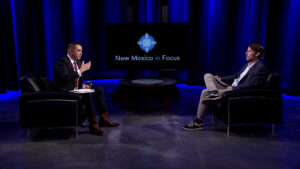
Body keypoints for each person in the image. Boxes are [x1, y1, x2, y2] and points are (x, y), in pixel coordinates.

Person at [183, 43, 268, 131]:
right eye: (247, 51)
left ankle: (198, 122)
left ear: (257, 53)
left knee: (205, 92)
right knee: (208, 76)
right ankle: (214, 95)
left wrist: (234, 89)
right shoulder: (248, 65)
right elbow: (236, 76)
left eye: (249, 51)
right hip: (230, 87)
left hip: (235, 92)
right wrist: (221, 79)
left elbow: (252, 85)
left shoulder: (260, 68)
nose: (246, 53)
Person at [53, 41, 119, 136]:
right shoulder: (62, 62)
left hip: (75, 90)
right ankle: (93, 125)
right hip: (66, 92)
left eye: (82, 51)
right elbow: (65, 78)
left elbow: (75, 80)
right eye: (78, 50)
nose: (81, 53)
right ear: (71, 51)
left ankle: (104, 118)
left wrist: (82, 85)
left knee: (99, 89)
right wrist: (81, 71)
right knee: (87, 94)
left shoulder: (78, 63)